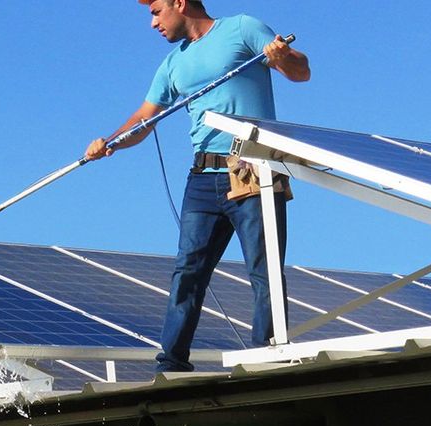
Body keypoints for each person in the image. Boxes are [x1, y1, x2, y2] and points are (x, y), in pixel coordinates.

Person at [83, 0, 310, 372]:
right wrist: (108, 142)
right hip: (202, 179)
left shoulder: (242, 28)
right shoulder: (174, 63)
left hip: (252, 171)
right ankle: (171, 363)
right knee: (188, 270)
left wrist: (281, 56)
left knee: (263, 268)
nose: (153, 22)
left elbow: (301, 72)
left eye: (156, 11)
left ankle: (266, 356)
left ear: (179, 3)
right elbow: (144, 118)